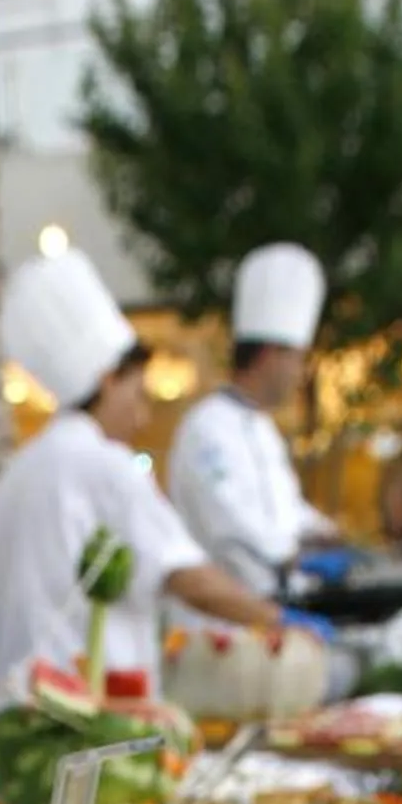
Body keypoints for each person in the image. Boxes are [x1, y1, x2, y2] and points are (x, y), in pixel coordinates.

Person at [0, 246, 284, 690]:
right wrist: (276, 620)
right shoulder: (104, 464)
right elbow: (187, 577)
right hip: (92, 719)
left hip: (17, 711)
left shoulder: (16, 474)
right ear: (107, 379)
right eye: (138, 395)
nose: (141, 418)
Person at [166, 244, 341, 602]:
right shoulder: (207, 429)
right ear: (268, 355)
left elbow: (286, 511)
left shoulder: (263, 429)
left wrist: (327, 533)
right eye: (296, 358)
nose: (300, 373)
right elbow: (230, 528)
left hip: (275, 614)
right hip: (225, 627)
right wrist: (290, 563)